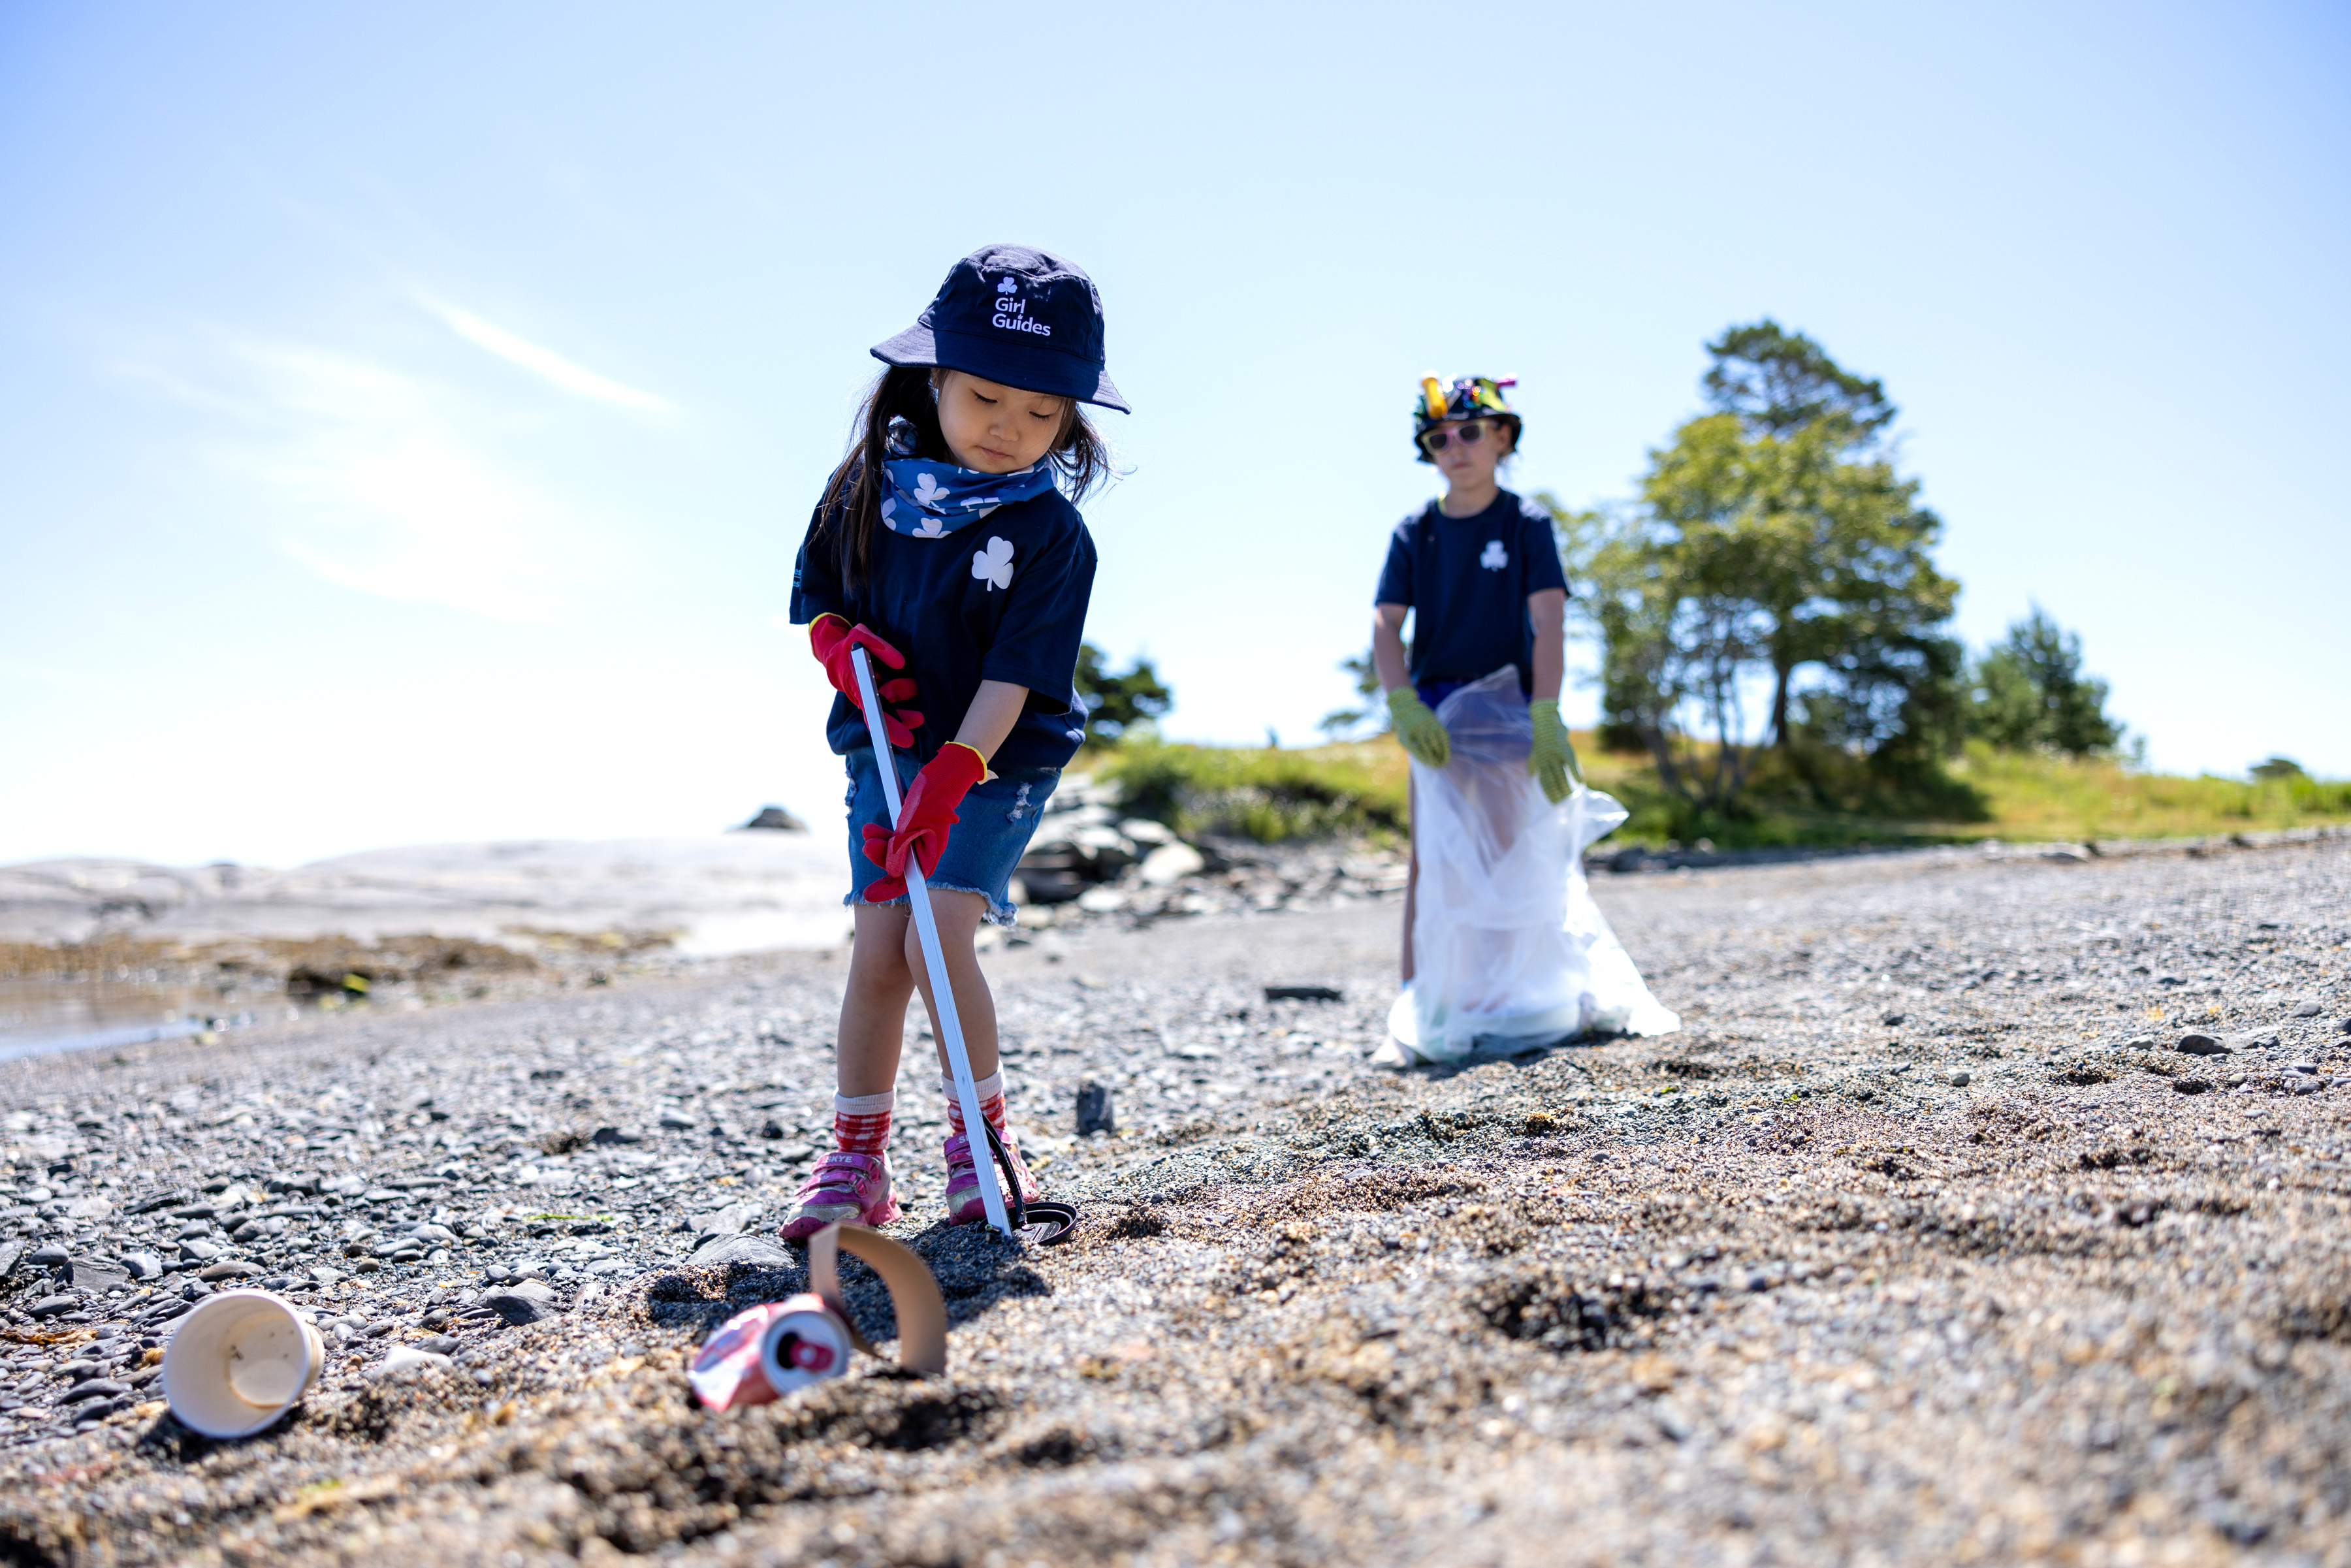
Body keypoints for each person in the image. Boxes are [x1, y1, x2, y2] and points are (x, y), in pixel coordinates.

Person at [782, 244, 1126, 1236]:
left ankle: (984, 1143)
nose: (1010, 429)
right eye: (985, 397)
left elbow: (1017, 678)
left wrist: (954, 772)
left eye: (1042, 413)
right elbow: (820, 603)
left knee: (938, 931)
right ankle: (857, 1163)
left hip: (994, 757)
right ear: (931, 379)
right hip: (883, 748)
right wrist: (838, 648)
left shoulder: (1052, 536)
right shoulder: (863, 491)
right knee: (882, 946)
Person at [1370, 375, 1580, 989]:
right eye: (1438, 439)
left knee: (1506, 848)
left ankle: (1511, 994)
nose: (1454, 447)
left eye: (1469, 432)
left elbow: (1549, 621)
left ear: (1503, 437)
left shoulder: (1526, 523)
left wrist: (1546, 711)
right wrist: (1404, 703)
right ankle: (1424, 1002)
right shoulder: (1416, 532)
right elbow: (1385, 625)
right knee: (1431, 855)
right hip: (1435, 709)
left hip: (1509, 708)